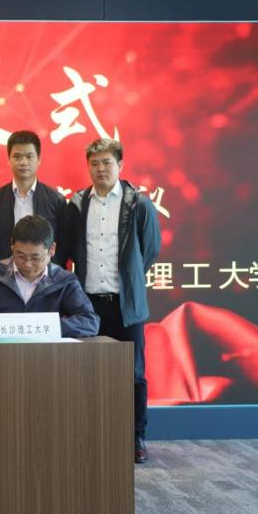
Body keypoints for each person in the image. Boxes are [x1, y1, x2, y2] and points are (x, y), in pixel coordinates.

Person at [68, 137, 161, 464]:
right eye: (94, 163)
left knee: (133, 374)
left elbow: (150, 250)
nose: (100, 169)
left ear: (120, 165)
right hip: (87, 305)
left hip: (126, 304)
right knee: (88, 372)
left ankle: (136, 437)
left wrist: (131, 276)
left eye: (107, 162)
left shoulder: (139, 204)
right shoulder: (78, 204)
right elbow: (70, 250)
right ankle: (91, 435)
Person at [0, 215, 99, 338]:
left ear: (52, 249)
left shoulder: (63, 281)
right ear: (12, 247)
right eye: (20, 255)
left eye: (36, 257)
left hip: (48, 357)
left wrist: (47, 327)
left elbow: (90, 322)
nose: (27, 264)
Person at [0, 130, 69, 265]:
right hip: (5, 274)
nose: (23, 162)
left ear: (39, 160)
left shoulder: (56, 200)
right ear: (9, 160)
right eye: (17, 157)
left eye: (29, 156)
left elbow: (64, 245)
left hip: (45, 274)